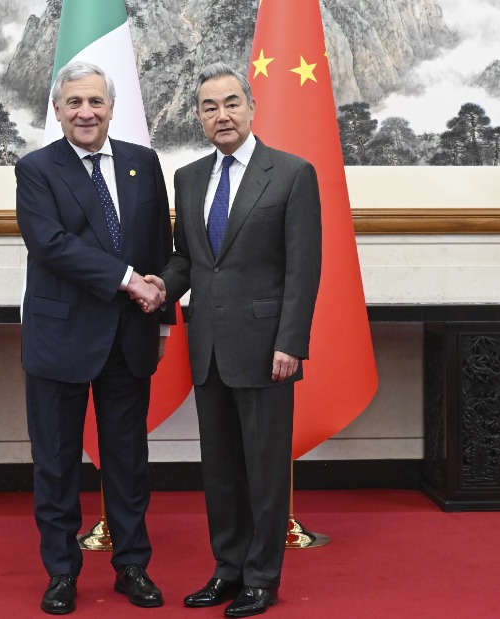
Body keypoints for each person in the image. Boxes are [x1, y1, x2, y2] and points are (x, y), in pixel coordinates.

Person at [152, 62, 322, 618]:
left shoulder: (292, 174)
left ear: (251, 108)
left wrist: (291, 342)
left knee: (265, 471)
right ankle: (227, 569)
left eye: (231, 103)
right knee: (221, 471)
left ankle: (262, 577)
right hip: (209, 348)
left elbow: (303, 269)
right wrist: (159, 287)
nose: (221, 115)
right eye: (209, 107)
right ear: (199, 117)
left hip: (267, 348)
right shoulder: (189, 178)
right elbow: (188, 259)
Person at [15, 61, 172, 615]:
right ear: (58, 110)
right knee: (56, 462)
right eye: (75, 102)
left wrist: (163, 319)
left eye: (96, 102)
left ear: (111, 108)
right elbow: (51, 244)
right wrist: (129, 280)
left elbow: (158, 246)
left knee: (127, 460)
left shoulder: (142, 163)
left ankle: (132, 565)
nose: (86, 112)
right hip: (59, 337)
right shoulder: (36, 169)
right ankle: (61, 572)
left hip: (129, 336)